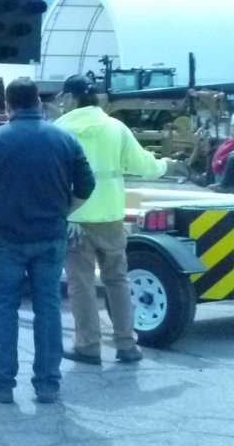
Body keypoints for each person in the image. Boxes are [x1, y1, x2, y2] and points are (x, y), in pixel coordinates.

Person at [0, 78, 95, 404]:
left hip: (6, 237)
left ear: (7, 104)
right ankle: (48, 385)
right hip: (50, 237)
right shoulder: (65, 139)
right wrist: (64, 210)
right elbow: (87, 184)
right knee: (48, 308)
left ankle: (1, 385)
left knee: (4, 308)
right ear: (37, 101)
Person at [55, 74, 179, 364]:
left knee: (81, 284)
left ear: (71, 99)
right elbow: (143, 165)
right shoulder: (115, 128)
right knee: (118, 280)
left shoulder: (60, 130)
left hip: (74, 219)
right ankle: (126, 344)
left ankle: (88, 346)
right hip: (110, 217)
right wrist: (166, 164)